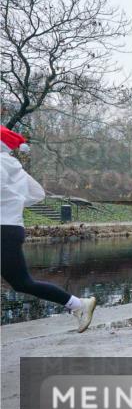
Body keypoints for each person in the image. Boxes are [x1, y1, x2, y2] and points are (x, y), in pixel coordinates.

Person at [0, 126, 96, 332]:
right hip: (11, 227)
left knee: (22, 282)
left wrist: (10, 203)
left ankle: (79, 305)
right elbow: (37, 194)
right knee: (21, 283)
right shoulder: (14, 165)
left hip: (3, 230)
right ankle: (78, 305)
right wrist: (13, 203)